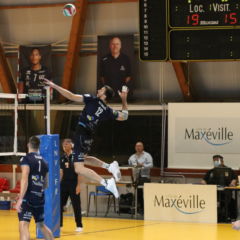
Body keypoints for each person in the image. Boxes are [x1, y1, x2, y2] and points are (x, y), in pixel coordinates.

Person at [44, 78, 129, 199]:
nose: (98, 90)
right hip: (88, 135)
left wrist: (55, 86)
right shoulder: (107, 110)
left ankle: (106, 182)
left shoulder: (93, 99)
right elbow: (125, 116)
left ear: (104, 96)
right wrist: (124, 100)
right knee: (83, 158)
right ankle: (109, 166)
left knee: (78, 168)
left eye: (101, 90)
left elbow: (72, 96)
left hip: (82, 133)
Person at [15, 136, 54, 240]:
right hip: (40, 197)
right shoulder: (45, 162)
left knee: (23, 225)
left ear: (28, 145)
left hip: (28, 197)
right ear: (38, 146)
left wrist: (20, 199)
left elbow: (25, 179)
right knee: (41, 225)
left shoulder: (26, 158)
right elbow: (46, 184)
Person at [201, 155, 237, 222]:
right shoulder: (211, 171)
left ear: (222, 162)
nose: (215, 162)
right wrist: (204, 184)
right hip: (213, 193)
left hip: (226, 193)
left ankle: (228, 217)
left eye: (217, 161)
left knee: (231, 202)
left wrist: (233, 182)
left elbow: (234, 179)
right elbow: (203, 180)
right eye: (214, 161)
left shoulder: (229, 170)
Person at [60, 139, 83, 232]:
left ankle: (79, 225)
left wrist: (78, 185)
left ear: (71, 145)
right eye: (63, 145)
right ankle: (59, 225)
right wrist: (58, 184)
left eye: (66, 144)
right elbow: (61, 172)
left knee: (76, 205)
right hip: (64, 184)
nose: (64, 146)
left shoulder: (77, 156)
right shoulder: (62, 157)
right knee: (60, 204)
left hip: (74, 183)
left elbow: (80, 172)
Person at [128, 141, 153, 213]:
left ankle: (144, 208)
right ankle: (138, 208)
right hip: (135, 178)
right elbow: (129, 165)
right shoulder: (132, 157)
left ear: (142, 147)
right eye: (137, 146)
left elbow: (151, 165)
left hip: (145, 177)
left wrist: (143, 166)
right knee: (137, 192)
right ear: (135, 148)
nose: (138, 147)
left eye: (140, 146)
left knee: (143, 192)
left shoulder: (147, 155)